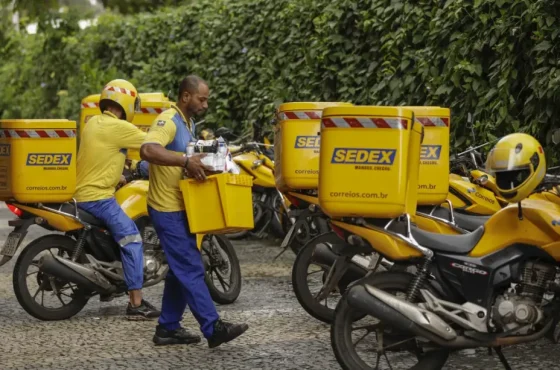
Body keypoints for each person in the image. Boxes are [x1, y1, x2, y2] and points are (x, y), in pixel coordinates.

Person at [140, 75, 249, 347]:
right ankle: (213, 329)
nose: (206, 104)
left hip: (182, 207)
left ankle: (167, 328)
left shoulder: (189, 124)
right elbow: (148, 150)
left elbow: (186, 161)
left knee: (180, 269)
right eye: (202, 99)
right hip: (166, 208)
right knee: (190, 266)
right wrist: (186, 160)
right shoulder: (168, 120)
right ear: (186, 96)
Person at [74, 79, 161, 319]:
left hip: (82, 194)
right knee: (132, 239)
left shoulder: (93, 124)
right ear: (127, 102)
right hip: (98, 198)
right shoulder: (118, 128)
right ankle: (136, 304)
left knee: (117, 235)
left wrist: (121, 175)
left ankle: (108, 287)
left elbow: (105, 157)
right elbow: (153, 145)